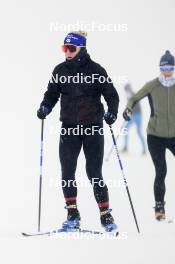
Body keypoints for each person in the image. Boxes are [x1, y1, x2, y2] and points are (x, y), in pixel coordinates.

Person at [37, 31, 119, 232]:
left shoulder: (96, 70)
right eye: (64, 48)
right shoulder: (59, 70)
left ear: (81, 49)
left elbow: (111, 95)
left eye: (71, 48)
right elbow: (51, 94)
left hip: (93, 127)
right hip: (69, 129)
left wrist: (112, 113)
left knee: (94, 172)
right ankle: (72, 214)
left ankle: (105, 215)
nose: (67, 52)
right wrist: (45, 107)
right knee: (67, 172)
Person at [123, 50, 175, 221]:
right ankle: (159, 207)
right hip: (155, 136)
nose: (166, 71)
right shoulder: (152, 85)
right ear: (160, 68)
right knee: (161, 171)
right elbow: (134, 98)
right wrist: (128, 109)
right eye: (164, 67)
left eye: (170, 67)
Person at [122, 83, 146, 154]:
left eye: (126, 89)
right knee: (125, 129)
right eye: (125, 90)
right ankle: (125, 147)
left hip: (137, 115)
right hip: (133, 115)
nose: (126, 91)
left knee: (138, 132)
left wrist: (128, 112)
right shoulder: (129, 96)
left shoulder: (133, 95)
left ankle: (144, 149)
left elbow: (133, 106)